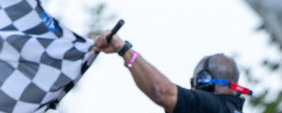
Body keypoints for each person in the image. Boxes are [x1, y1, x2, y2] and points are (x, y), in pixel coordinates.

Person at [92, 30, 251, 111]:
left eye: (193, 82)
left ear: (204, 81)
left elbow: (162, 92)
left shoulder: (211, 107)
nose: (192, 88)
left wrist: (123, 49)